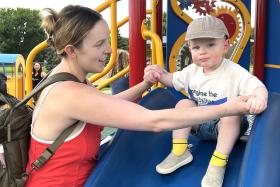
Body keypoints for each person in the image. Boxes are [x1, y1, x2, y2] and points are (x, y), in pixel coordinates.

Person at [24, 7, 251, 187]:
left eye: (108, 40)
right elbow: (154, 122)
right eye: (99, 44)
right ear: (72, 50)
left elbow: (107, 105)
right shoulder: (69, 94)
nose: (109, 50)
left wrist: (145, 84)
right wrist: (227, 108)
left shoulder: (72, 80)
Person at [144, 16, 268, 187]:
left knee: (231, 114)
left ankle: (218, 162)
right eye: (196, 47)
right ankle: (180, 151)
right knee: (183, 104)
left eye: (210, 45)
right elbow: (172, 80)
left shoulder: (234, 72)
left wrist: (259, 97)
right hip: (199, 126)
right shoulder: (191, 71)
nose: (202, 51)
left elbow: (257, 86)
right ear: (190, 49)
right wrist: (158, 74)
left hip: (226, 127)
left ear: (225, 46)